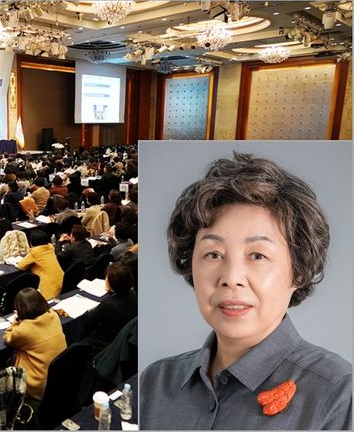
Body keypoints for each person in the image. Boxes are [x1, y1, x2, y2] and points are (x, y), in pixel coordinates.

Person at [139, 153, 352, 430]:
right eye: (213, 254)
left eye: (257, 256)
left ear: (299, 271)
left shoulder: (339, 394)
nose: (231, 278)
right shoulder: (154, 383)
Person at [3, 288, 66, 401]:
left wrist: (16, 320)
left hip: (38, 384)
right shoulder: (53, 315)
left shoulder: (24, 329)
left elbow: (8, 337)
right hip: (58, 378)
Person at [82, 262, 137, 358]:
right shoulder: (134, 295)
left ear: (113, 284)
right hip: (122, 339)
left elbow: (88, 321)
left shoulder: (108, 305)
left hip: (104, 346)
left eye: (106, 279)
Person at [17, 230, 64, 300]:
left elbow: (21, 266)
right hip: (61, 284)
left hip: (49, 289)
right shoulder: (51, 248)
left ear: (31, 242)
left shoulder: (35, 252)